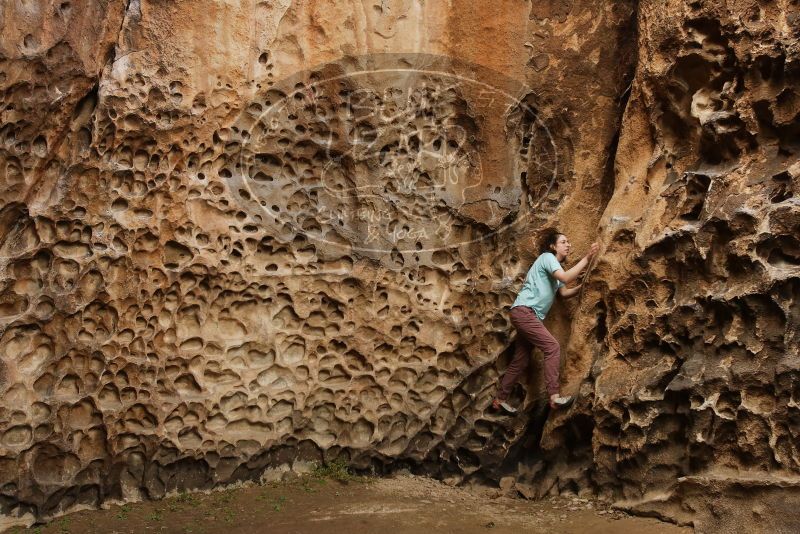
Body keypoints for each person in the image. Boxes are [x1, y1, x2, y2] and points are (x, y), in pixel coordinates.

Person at [492, 229, 599, 412]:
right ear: (552, 246)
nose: (568, 245)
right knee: (552, 347)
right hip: (525, 312)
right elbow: (565, 277)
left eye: (568, 242)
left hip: (526, 315)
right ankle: (554, 396)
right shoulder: (547, 258)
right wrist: (587, 258)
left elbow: (565, 293)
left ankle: (499, 400)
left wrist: (584, 285)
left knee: (521, 360)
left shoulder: (555, 268)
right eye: (564, 242)